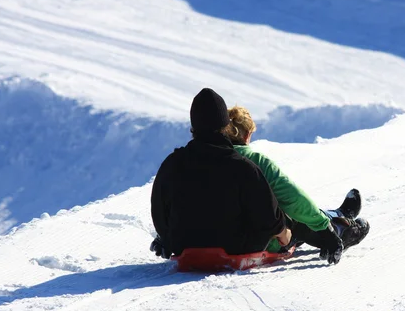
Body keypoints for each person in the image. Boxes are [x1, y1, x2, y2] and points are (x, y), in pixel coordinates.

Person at [150, 88, 296, 262]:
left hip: (184, 245)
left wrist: (168, 238)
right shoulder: (243, 167)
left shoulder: (172, 164)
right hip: (238, 247)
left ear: (193, 126)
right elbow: (267, 214)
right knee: (289, 226)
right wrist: (284, 232)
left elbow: (158, 211)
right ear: (226, 126)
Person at [224, 105, 370, 260]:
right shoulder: (255, 161)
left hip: (220, 235)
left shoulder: (210, 160)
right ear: (247, 135)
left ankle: (337, 215)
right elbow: (294, 199)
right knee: (294, 214)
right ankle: (340, 229)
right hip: (263, 240)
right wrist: (324, 227)